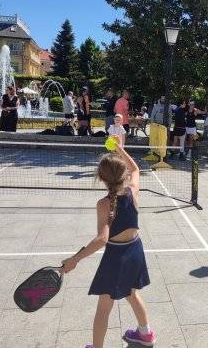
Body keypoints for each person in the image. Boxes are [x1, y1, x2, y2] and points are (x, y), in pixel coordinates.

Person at [61, 135, 155, 348]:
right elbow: (136, 169)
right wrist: (120, 149)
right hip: (135, 249)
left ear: (102, 179)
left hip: (117, 256)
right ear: (123, 175)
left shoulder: (103, 204)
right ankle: (145, 334)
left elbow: (102, 239)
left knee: (104, 306)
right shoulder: (133, 191)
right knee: (132, 293)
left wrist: (75, 259)